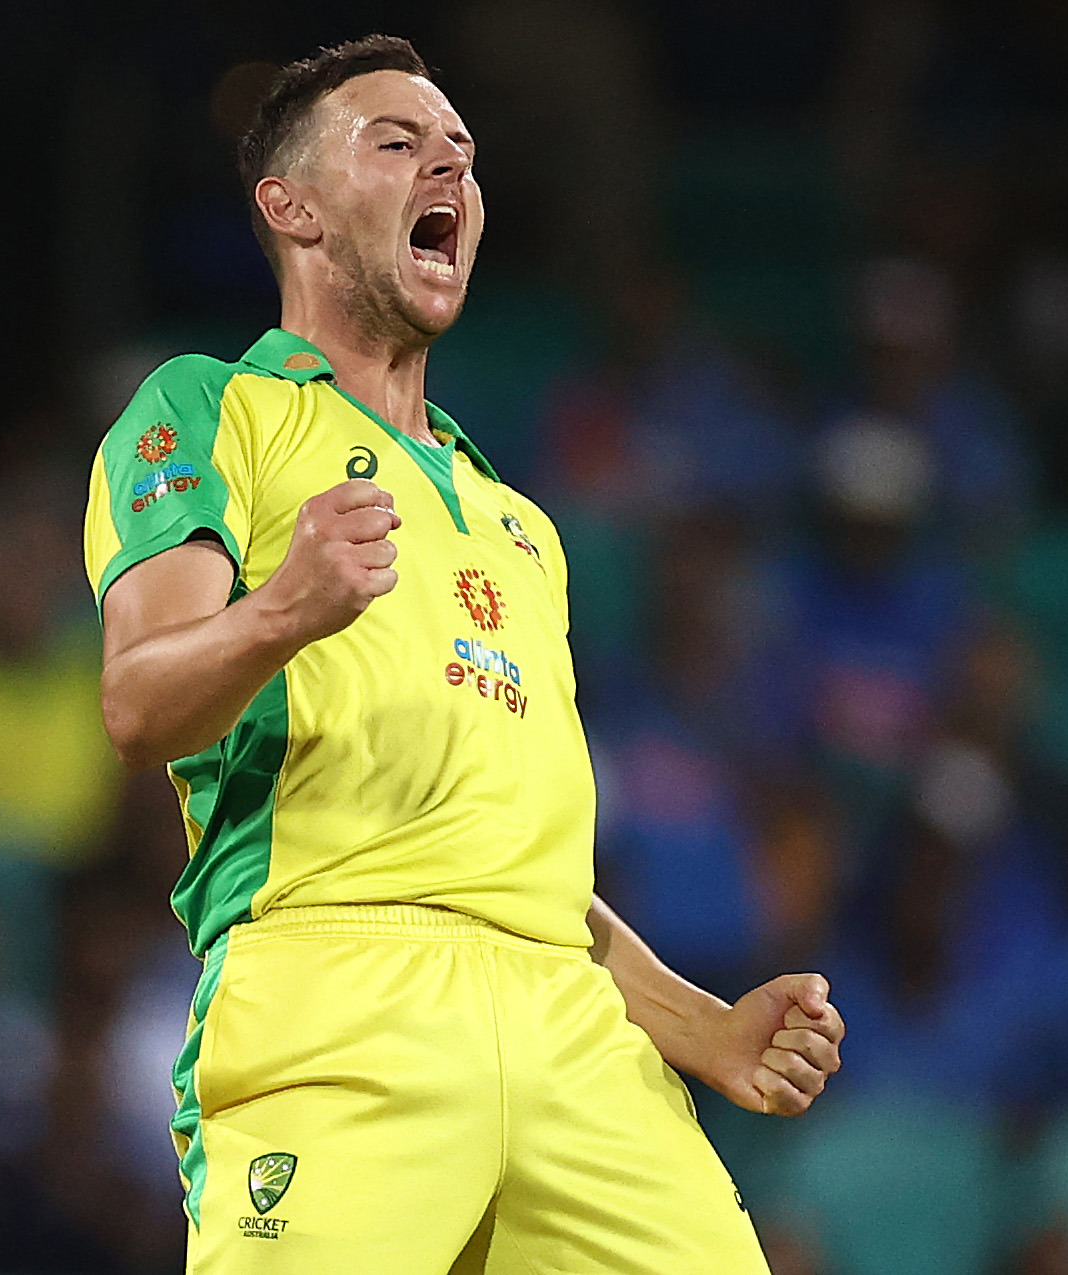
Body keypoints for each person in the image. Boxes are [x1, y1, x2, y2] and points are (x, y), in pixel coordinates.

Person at [80, 34, 844, 1274]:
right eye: (397, 143)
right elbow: (136, 703)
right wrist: (282, 612)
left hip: (572, 1035)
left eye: (464, 156)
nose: (450, 166)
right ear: (293, 206)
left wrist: (704, 1030)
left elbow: (526, 874)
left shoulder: (519, 525)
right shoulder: (212, 409)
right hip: (337, 993)